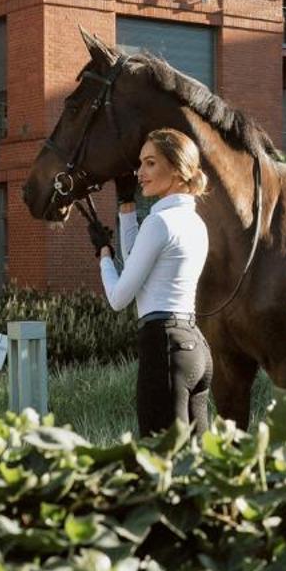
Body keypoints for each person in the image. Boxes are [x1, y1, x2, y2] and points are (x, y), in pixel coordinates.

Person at [91, 128, 213, 436]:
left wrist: (103, 255)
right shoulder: (195, 222)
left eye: (150, 163)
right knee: (201, 468)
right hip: (195, 348)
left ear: (176, 169)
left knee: (160, 461)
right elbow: (138, 258)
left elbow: (118, 298)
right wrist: (126, 208)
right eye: (140, 164)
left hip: (164, 346)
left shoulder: (159, 223)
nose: (140, 172)